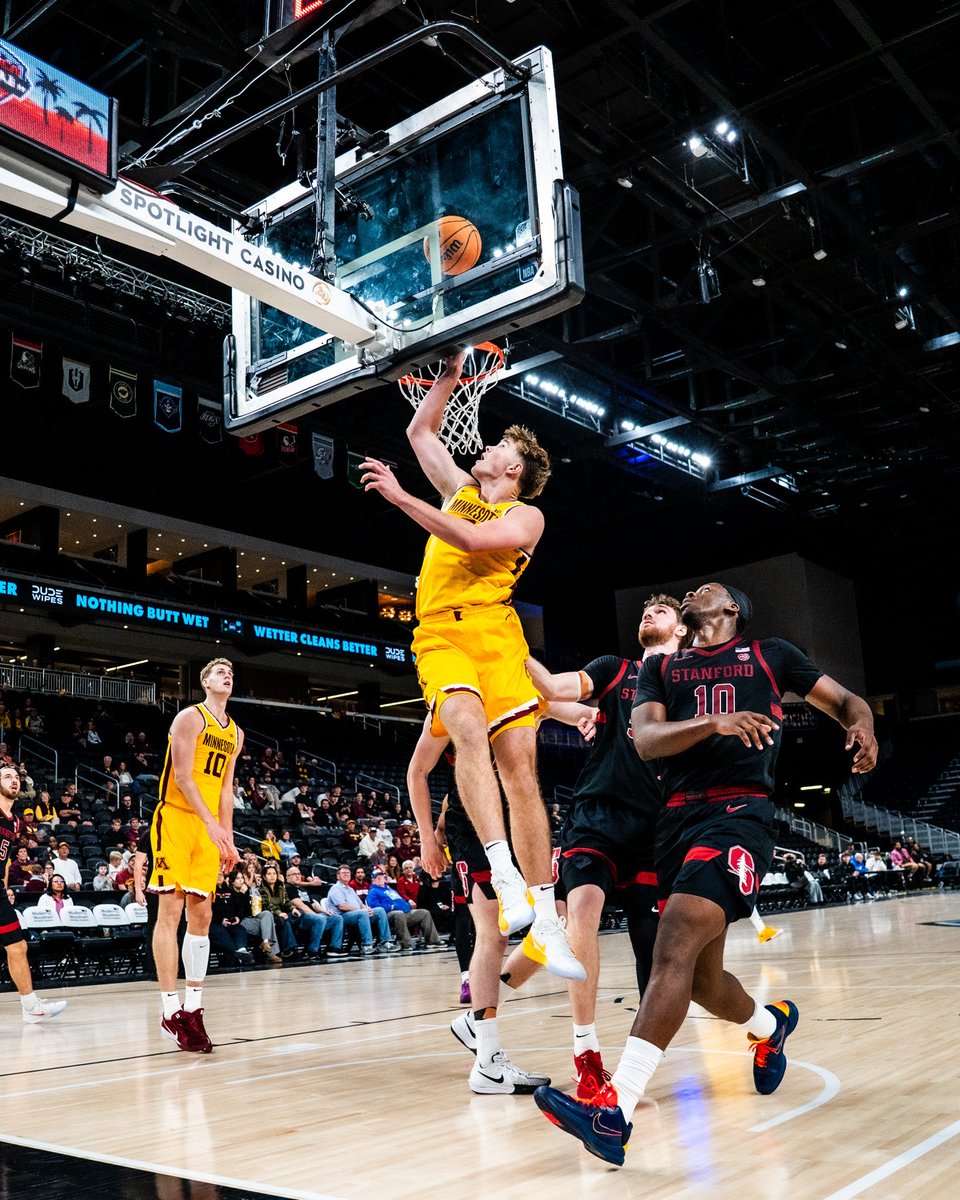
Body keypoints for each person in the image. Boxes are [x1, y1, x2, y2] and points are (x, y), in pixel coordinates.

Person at [534, 581, 878, 1166]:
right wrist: (715, 724)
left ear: (730, 610)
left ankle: (612, 1112)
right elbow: (644, 740)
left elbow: (846, 701)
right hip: (674, 823)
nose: (696, 590)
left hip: (740, 813)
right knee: (699, 981)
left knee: (672, 946)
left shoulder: (772, 655)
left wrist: (863, 726)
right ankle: (771, 1024)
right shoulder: (662, 671)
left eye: (708, 589)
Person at [360, 353, 582, 981]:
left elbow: (470, 541)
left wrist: (402, 497)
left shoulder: (524, 516)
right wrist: (451, 374)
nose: (482, 447)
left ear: (513, 468)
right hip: (442, 635)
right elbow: (420, 434)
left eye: (496, 446)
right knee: (464, 729)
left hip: (498, 638)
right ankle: (504, 872)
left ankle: (545, 918)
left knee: (522, 774)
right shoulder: (459, 490)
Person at [525, 593, 688, 1100]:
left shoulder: (689, 688)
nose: (648, 614)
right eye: (645, 609)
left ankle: (488, 998)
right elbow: (550, 689)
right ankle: (586, 1053)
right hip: (596, 813)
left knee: (653, 948)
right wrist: (504, 636)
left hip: (655, 826)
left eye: (661, 611)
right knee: (582, 915)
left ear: (681, 631)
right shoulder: (615, 670)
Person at [407, 717, 550, 1093]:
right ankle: (487, 1059)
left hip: (519, 816)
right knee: (493, 935)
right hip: (471, 827)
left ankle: (476, 1020)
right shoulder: (452, 701)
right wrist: (427, 838)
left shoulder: (515, 692)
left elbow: (562, 699)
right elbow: (418, 771)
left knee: (559, 916)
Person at [147, 658, 241, 1054]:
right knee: (171, 911)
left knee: (201, 915)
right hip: (177, 818)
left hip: (209, 829)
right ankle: (170, 1011)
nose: (227, 676)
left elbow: (224, 790)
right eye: (220, 672)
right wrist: (210, 825)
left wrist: (227, 837)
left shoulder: (236, 733)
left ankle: (194, 1008)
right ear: (204, 682)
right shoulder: (190, 717)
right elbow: (183, 777)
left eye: (231, 673)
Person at [0, 764, 67, 1022]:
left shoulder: (15, 822)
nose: (14, 781)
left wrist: (5, 887)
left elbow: (5, 860)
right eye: (7, 777)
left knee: (17, 946)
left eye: (17, 777)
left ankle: (31, 1007)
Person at [367, 866, 444, 951]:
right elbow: (374, 907)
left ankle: (432, 941)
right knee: (398, 913)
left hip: (403, 911)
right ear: (372, 880)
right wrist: (391, 907)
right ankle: (405, 944)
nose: (380, 879)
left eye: (381, 877)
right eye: (378, 878)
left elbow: (401, 900)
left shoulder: (390, 889)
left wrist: (406, 905)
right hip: (388, 915)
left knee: (424, 913)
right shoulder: (373, 892)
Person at [326, 865, 399, 954]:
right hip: (342, 916)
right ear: (338, 876)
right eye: (343, 873)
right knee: (363, 913)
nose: (346, 874)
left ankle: (386, 942)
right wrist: (361, 910)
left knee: (380, 910)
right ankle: (367, 945)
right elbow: (342, 906)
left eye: (348, 872)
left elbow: (360, 904)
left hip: (357, 914)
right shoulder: (336, 888)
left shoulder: (350, 889)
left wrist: (367, 909)